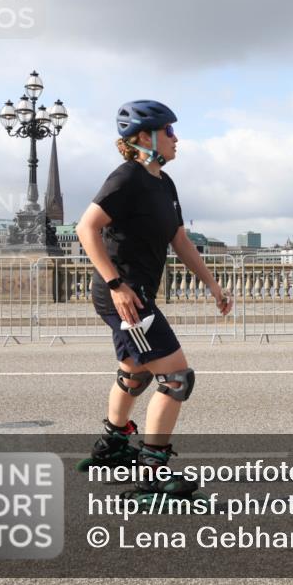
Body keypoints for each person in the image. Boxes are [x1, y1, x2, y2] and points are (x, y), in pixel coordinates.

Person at [75, 100, 232, 497]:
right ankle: (153, 473)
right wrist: (116, 284)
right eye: (170, 131)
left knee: (137, 371)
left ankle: (113, 444)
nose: (177, 138)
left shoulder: (163, 183)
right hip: (126, 297)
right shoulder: (126, 177)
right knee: (176, 377)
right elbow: (86, 228)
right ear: (145, 137)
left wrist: (213, 285)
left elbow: (179, 239)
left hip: (135, 294)